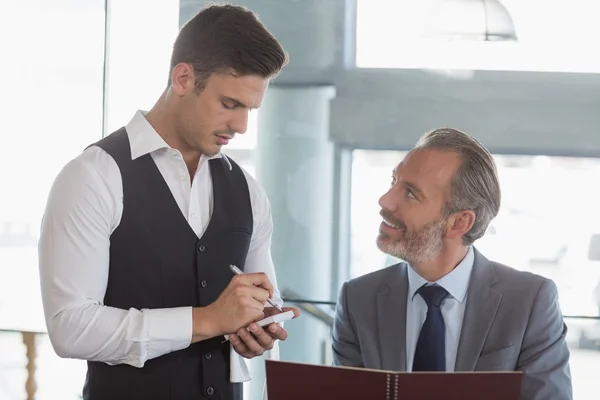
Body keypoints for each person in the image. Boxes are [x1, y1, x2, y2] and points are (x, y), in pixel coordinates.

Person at [38, 4, 299, 400]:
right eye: (230, 104)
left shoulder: (248, 191)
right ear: (183, 78)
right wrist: (209, 319)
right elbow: (70, 328)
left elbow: (262, 298)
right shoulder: (93, 176)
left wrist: (258, 327)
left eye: (250, 109)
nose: (242, 126)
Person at [331, 128, 572, 400]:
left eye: (410, 193)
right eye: (394, 181)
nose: (385, 200)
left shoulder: (529, 302)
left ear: (459, 222)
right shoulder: (357, 300)